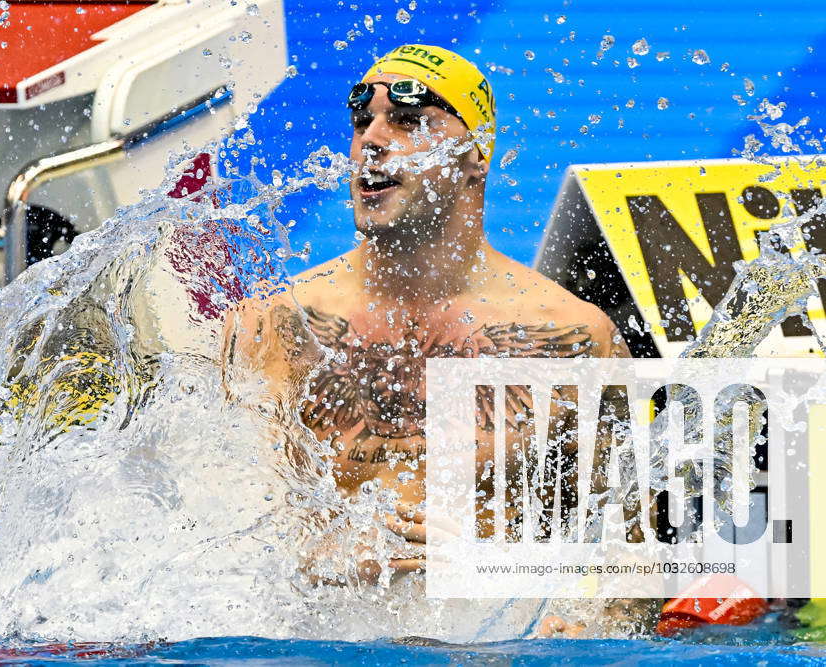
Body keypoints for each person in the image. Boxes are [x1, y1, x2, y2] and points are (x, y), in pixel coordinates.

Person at [221, 44, 650, 635]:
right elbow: (209, 531)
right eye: (360, 121)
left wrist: (580, 624)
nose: (372, 139)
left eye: (407, 120)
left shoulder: (573, 336)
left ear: (475, 156)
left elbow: (636, 546)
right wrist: (329, 553)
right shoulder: (276, 323)